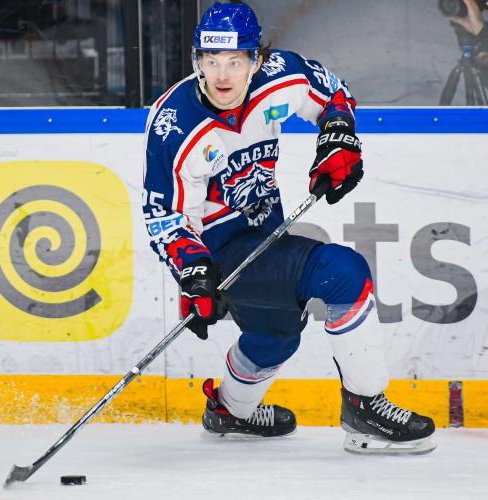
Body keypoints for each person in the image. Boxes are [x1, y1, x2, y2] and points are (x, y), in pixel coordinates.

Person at [143, 2, 435, 454]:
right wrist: (195, 271)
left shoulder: (281, 75)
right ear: (197, 59)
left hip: (266, 231)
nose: (222, 75)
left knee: (277, 332)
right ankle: (365, 408)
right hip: (220, 249)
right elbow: (166, 216)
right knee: (343, 272)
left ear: (256, 59)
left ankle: (230, 411)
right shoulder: (173, 125)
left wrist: (337, 136)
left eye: (235, 61)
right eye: (211, 61)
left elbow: (333, 93)